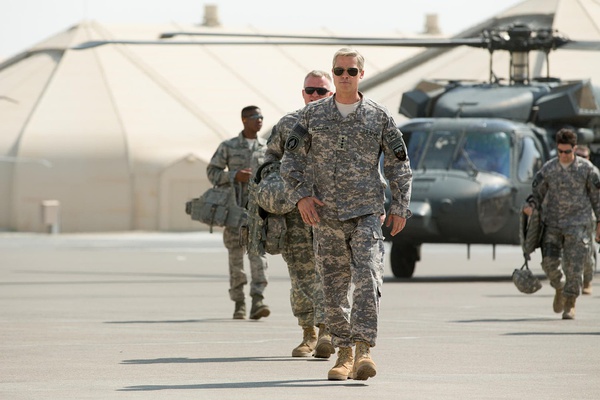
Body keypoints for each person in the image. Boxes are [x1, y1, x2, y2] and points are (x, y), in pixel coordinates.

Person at [280, 48, 413, 381]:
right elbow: (290, 160)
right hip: (325, 216)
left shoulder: (378, 116)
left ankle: (364, 350)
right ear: (333, 73)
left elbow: (399, 164)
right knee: (333, 287)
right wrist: (301, 197)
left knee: (368, 277)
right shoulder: (312, 116)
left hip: (366, 213)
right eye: (339, 71)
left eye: (351, 71)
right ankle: (343, 353)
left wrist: (400, 206)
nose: (344, 76)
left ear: (361, 75)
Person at [263, 70, 335, 358]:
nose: (315, 95)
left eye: (321, 91)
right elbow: (269, 160)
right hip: (295, 215)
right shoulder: (287, 124)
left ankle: (328, 330)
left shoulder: (344, 124)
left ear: (331, 93)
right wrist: (277, 189)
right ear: (303, 93)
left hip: (331, 213)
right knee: (301, 273)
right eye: (310, 90)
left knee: (331, 272)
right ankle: (308, 333)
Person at [207, 105, 270, 320]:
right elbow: (212, 172)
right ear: (244, 120)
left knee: (258, 256)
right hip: (233, 211)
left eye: (261, 117)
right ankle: (239, 303)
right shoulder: (228, 146)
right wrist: (234, 175)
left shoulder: (268, 147)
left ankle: (258, 300)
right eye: (255, 117)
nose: (259, 120)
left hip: (259, 211)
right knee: (235, 259)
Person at [529, 129, 600, 319]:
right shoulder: (549, 169)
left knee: (574, 267)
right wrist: (531, 207)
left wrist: (599, 222)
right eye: (560, 151)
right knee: (549, 263)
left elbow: (597, 198)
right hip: (553, 224)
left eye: (567, 151)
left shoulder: (587, 170)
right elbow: (536, 194)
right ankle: (559, 286)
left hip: (578, 225)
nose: (563, 155)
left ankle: (570, 303)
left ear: (574, 149)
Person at [575, 144, 597, 295]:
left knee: (587, 251)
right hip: (568, 218)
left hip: (588, 217)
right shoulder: (566, 171)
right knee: (568, 252)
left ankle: (587, 280)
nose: (581, 159)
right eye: (579, 156)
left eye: (584, 156)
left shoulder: (593, 173)